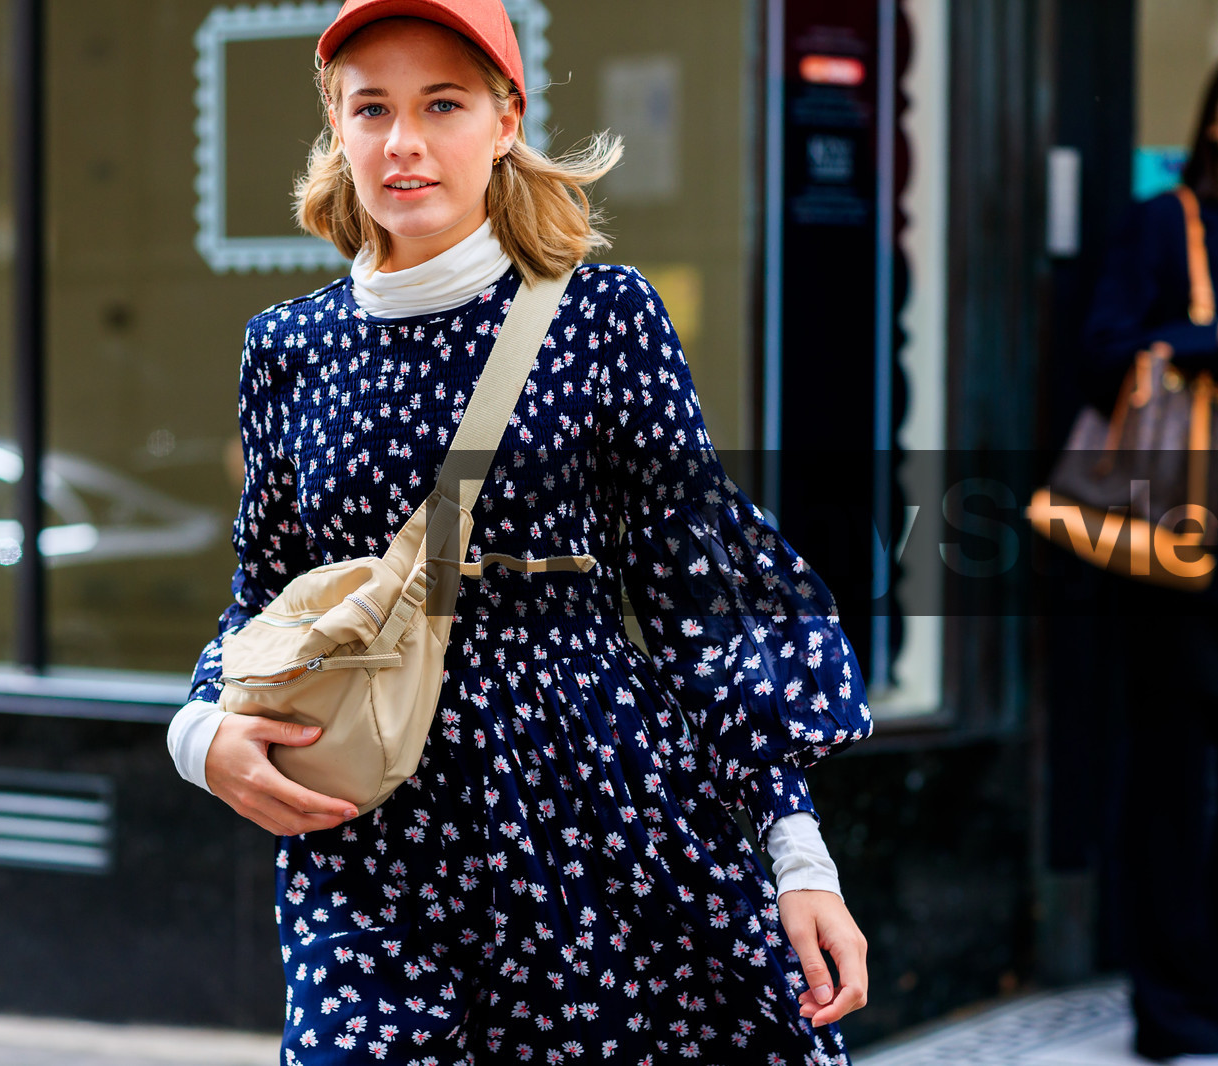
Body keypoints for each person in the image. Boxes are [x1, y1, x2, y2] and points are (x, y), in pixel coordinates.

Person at [168, 1, 873, 1060]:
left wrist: (797, 854)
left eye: (441, 104)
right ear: (337, 125)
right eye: (372, 108)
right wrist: (200, 734)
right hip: (372, 820)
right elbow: (263, 589)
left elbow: (699, 598)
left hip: (591, 806)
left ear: (505, 119)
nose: (402, 140)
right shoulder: (288, 347)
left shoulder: (604, 317)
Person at [1083, 45, 1218, 1066]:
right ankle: (1172, 1005)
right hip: (1179, 542)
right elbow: (1103, 349)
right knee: (1168, 777)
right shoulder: (1167, 225)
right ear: (1211, 120)